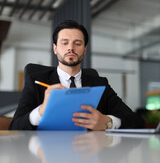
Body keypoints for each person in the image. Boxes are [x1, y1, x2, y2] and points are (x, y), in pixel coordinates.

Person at [9, 20, 143, 130]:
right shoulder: (35, 81)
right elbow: (14, 127)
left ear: (84, 49)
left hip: (89, 153)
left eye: (77, 43)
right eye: (65, 43)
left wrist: (107, 122)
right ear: (55, 48)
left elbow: (136, 121)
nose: (70, 48)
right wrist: (41, 111)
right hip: (48, 153)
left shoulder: (100, 83)